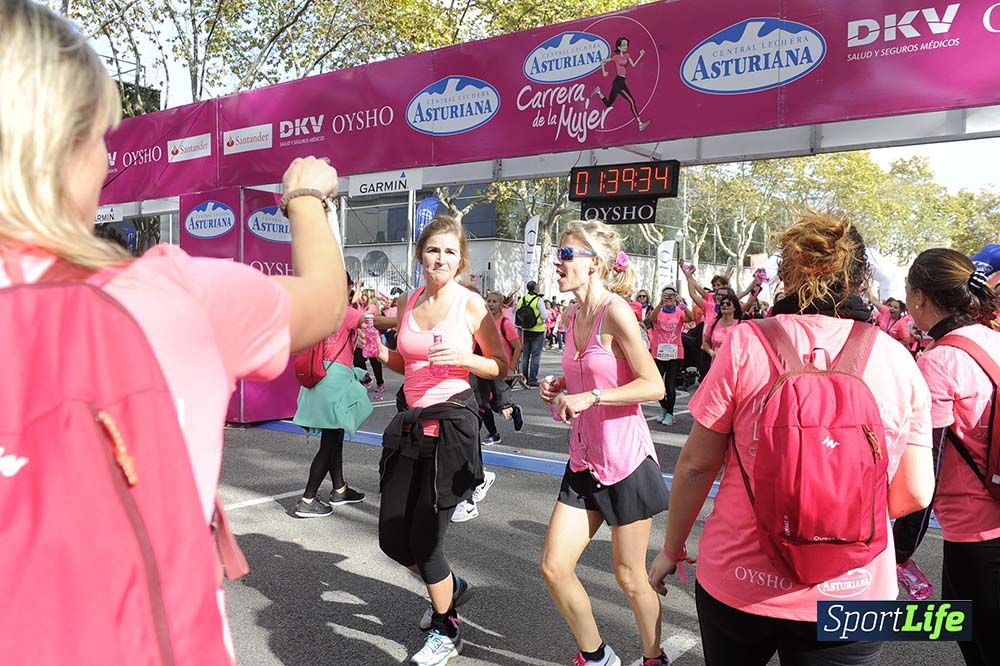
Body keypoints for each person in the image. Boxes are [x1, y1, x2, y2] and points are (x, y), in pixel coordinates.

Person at [0, 2, 349, 662]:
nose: (105, 162)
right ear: (66, 144)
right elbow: (326, 302)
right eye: (100, 137)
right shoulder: (171, 298)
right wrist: (307, 196)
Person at [649, 211, 935, 666]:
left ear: (785, 275)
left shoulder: (745, 343)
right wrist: (835, 509)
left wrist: (672, 549)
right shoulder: (897, 358)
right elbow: (916, 492)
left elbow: (697, 466)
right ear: (859, 279)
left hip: (741, 579)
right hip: (856, 592)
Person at [370, 215, 508, 666]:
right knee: (393, 537)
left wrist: (468, 356)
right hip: (410, 426)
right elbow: (405, 364)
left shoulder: (469, 305)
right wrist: (378, 351)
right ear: (420, 256)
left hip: (450, 429)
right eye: (433, 250)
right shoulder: (409, 300)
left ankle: (447, 629)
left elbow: (501, 365)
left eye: (450, 251)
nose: (441, 258)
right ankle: (450, 586)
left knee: (427, 543)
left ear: (461, 259)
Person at [539, 221, 669, 666]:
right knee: (555, 567)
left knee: (630, 577)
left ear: (595, 263)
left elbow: (654, 386)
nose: (558, 262)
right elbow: (587, 378)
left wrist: (591, 394)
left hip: (626, 462)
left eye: (566, 254)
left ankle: (654, 657)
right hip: (584, 461)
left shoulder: (617, 312)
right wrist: (560, 387)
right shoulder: (572, 315)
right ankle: (596, 657)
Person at [905, 248, 1000, 665]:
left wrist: (900, 550)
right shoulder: (994, 340)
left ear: (920, 298)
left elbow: (928, 467)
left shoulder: (939, 362)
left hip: (973, 535)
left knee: (978, 642)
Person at [291, 274, 371, 517]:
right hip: (334, 382)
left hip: (318, 378)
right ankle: (307, 500)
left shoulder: (317, 313)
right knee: (330, 443)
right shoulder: (344, 312)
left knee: (333, 438)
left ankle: (340, 489)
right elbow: (372, 321)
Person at [645, 286, 693, 425]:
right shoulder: (658, 310)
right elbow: (650, 319)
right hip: (658, 351)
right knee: (656, 384)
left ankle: (670, 414)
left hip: (675, 353)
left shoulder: (679, 311)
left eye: (671, 295)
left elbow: (690, 318)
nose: (669, 298)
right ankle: (665, 408)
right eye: (666, 295)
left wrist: (682, 305)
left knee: (669, 384)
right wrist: (660, 303)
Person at [592, 37, 650, 131]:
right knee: (631, 101)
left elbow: (633, 65)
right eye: (623, 45)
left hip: (620, 81)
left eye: (626, 44)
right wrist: (604, 72)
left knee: (608, 104)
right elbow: (602, 61)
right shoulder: (616, 57)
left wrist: (641, 55)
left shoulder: (627, 55)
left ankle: (599, 92)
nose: (626, 46)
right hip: (618, 82)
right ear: (619, 47)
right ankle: (640, 124)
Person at [354, 287, 386, 400]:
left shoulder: (372, 307)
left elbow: (361, 317)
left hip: (371, 338)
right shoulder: (360, 306)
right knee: (358, 359)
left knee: (375, 362)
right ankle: (366, 378)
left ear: (369, 296)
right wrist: (357, 287)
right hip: (361, 338)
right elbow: (354, 301)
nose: (362, 297)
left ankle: (380, 382)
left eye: (364, 295)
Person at [517, 280, 548, 386]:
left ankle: (524, 377)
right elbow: (544, 315)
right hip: (537, 330)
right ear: (535, 289)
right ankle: (532, 379)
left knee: (525, 355)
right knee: (535, 355)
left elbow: (518, 312)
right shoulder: (539, 300)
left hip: (525, 330)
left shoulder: (522, 299)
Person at [701, 288, 743, 360]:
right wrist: (710, 351)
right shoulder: (713, 322)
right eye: (722, 303)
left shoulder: (740, 324)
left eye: (728, 304)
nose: (724, 305)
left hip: (734, 363)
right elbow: (705, 341)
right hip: (716, 362)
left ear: (734, 308)